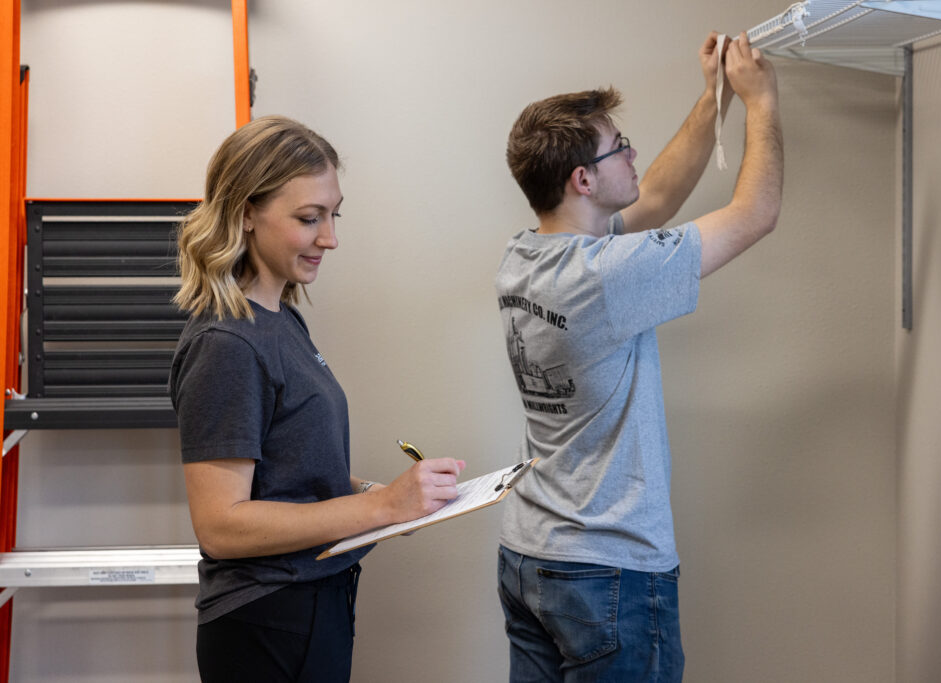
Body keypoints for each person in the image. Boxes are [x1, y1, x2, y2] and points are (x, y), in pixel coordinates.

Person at [495, 32, 782, 681]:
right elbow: (756, 213)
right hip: (608, 572)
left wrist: (717, 95)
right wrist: (762, 101)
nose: (633, 154)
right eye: (618, 147)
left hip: (529, 552)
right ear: (584, 178)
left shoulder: (523, 256)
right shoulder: (605, 275)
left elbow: (654, 198)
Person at [169, 115, 465, 682]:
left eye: (333, 215)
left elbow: (289, 474)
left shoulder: (282, 320)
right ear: (246, 212)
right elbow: (221, 524)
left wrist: (387, 496)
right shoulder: (227, 342)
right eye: (309, 218)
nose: (330, 237)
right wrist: (379, 509)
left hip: (314, 601)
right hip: (266, 619)